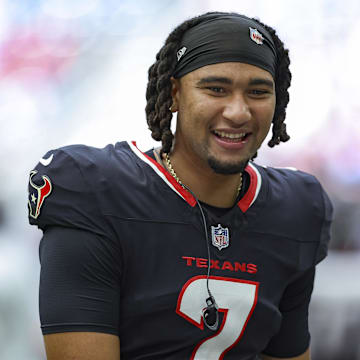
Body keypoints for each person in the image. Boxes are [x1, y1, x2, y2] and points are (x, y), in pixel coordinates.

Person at [27, 11, 333, 360]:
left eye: (258, 91)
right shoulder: (96, 189)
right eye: (216, 89)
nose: (238, 112)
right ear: (174, 93)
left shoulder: (297, 208)